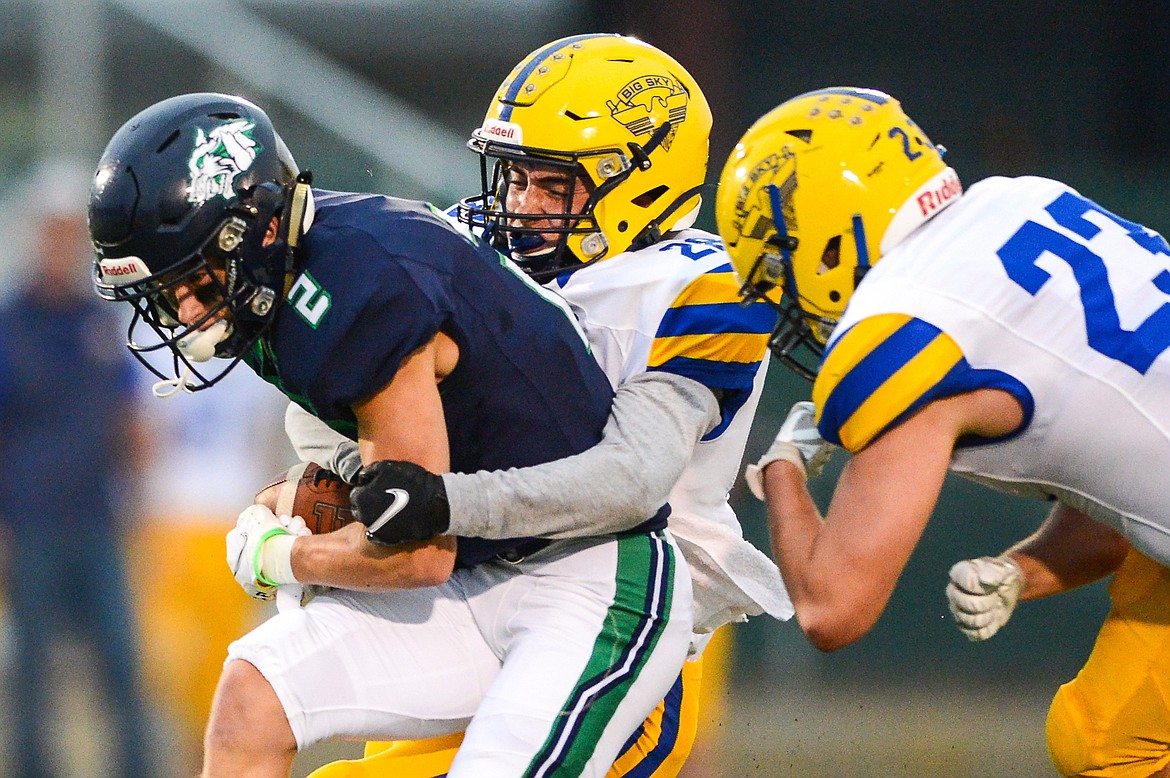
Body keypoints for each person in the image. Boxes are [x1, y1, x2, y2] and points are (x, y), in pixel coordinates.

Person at [88, 91, 693, 778]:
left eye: (194, 280)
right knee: (250, 698)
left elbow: (415, 550)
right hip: (476, 572)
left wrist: (280, 557)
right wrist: (330, 483)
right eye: (168, 294)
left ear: (250, 230)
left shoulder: (361, 286)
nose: (186, 310)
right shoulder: (283, 275)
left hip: (591, 577)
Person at [298, 33, 792, 778]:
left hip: (610, 618)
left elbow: (629, 482)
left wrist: (438, 501)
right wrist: (371, 475)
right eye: (516, 177)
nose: (522, 204)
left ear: (644, 181)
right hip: (457, 608)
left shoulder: (698, 286)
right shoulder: (462, 238)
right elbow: (320, 395)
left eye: (554, 185)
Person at [717, 86, 1170, 777]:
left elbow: (831, 609)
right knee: (1107, 739)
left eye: (778, 266)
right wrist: (1022, 570)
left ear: (828, 240)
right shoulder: (1015, 200)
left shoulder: (903, 332)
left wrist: (781, 466)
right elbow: (1133, 484)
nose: (781, 297)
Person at [0, 162, 156, 777]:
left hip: (97, 516)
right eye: (53, 231)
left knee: (121, 660)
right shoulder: (10, 326)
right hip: (31, 520)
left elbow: (128, 417)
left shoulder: (100, 320)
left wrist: (140, 501)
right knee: (33, 669)